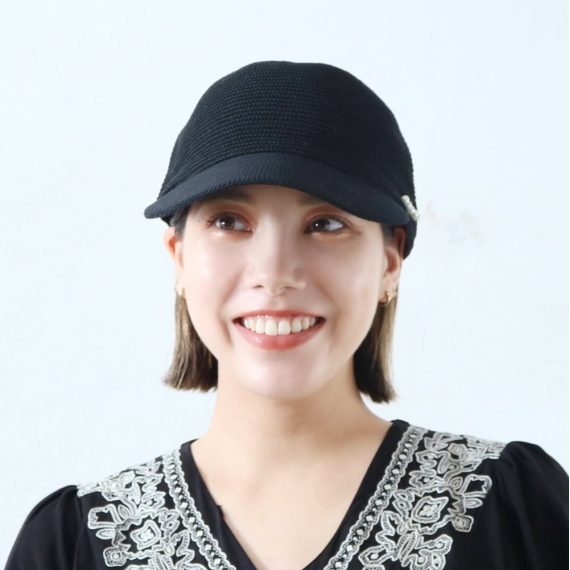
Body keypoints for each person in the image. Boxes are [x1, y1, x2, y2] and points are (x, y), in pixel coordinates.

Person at [5, 61, 568, 570]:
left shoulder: (513, 511)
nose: (274, 274)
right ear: (179, 258)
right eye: (229, 222)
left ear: (390, 261)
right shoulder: (76, 544)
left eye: (325, 224)